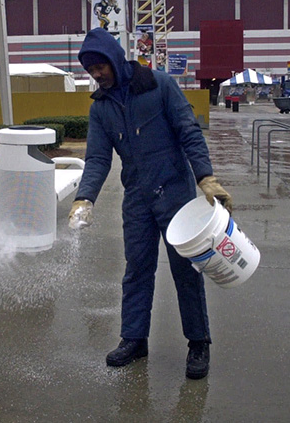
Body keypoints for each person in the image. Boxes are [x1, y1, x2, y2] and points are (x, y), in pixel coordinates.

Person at [68, 27, 232, 380]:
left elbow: (189, 130)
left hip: (175, 195)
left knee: (185, 272)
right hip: (138, 198)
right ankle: (134, 338)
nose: (96, 75)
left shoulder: (159, 86)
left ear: (113, 58)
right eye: (90, 70)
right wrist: (85, 197)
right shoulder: (101, 109)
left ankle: (198, 342)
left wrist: (206, 177)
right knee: (137, 269)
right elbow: (97, 159)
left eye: (100, 67)